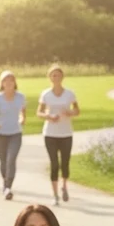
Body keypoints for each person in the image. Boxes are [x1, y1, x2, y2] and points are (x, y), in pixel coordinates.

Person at [38, 64, 80, 206]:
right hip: (50, 133)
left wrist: (69, 113)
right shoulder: (46, 94)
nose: (56, 77)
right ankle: (55, 194)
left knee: (65, 163)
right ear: (49, 77)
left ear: (62, 77)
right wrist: (49, 116)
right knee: (54, 163)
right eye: (53, 75)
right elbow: (39, 112)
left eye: (58, 75)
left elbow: (77, 110)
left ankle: (64, 186)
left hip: (66, 133)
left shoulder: (69, 94)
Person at [0, 71, 26, 200]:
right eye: (6, 81)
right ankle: (5, 183)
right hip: (0, 134)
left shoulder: (20, 97)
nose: (9, 83)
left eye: (11, 80)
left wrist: (22, 119)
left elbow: (23, 112)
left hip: (15, 133)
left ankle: (8, 187)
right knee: (3, 161)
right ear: (2, 83)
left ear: (14, 83)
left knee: (11, 159)